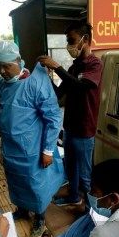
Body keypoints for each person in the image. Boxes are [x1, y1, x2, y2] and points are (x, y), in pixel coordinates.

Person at [0, 40, 65, 237]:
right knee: (15, 181)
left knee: (35, 185)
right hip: (11, 148)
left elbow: (54, 118)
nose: (3, 71)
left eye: (7, 66)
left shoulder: (36, 83)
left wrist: (48, 150)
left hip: (33, 149)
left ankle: (39, 217)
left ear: (19, 61)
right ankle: (22, 210)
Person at [37, 22, 103, 207]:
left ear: (85, 39)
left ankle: (91, 213)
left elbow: (82, 87)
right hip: (70, 128)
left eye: (71, 40)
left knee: (85, 174)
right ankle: (74, 197)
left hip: (84, 131)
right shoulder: (74, 68)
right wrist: (47, 77)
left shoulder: (95, 64)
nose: (69, 46)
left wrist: (57, 67)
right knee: (71, 168)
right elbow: (59, 94)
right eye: (67, 41)